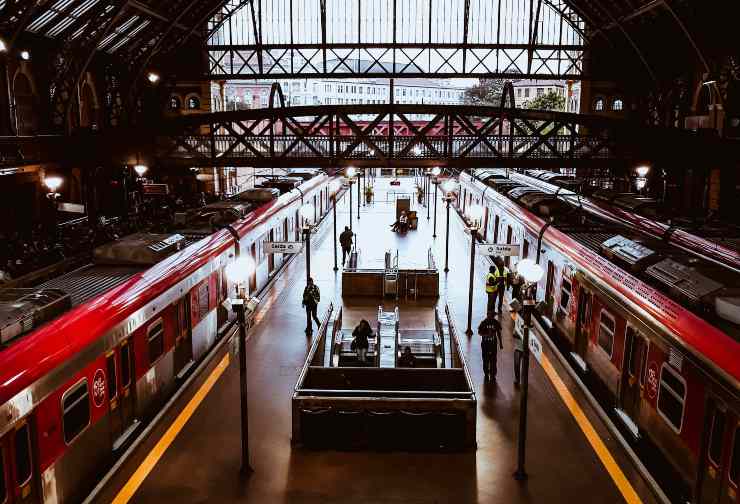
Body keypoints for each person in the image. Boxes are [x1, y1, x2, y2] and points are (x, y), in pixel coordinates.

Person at [478, 314, 503, 382]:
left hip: (493, 344)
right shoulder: (483, 323)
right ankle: (486, 373)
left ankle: (493, 374)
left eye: (493, 315)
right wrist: (486, 334)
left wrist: (500, 343)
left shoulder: (496, 322)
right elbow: (479, 332)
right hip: (485, 345)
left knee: (493, 360)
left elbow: (498, 332)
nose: (492, 317)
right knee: (485, 359)